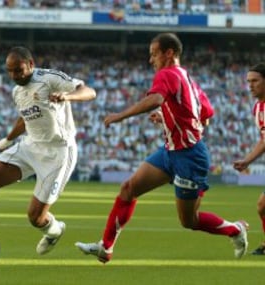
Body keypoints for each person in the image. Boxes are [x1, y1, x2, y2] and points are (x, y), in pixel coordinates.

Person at [75, 33, 248, 263]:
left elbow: (157, 99)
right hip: (170, 152)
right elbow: (205, 115)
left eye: (154, 54)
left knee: (189, 221)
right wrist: (169, 118)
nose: (151, 60)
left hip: (189, 157)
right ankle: (105, 247)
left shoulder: (167, 74)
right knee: (128, 189)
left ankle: (235, 230)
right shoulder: (189, 79)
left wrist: (121, 115)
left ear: (169, 53)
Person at [0, 46, 96, 256]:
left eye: (18, 70)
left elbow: (89, 91)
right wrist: (8, 139)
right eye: (10, 71)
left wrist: (67, 96)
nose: (14, 75)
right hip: (30, 146)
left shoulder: (49, 78)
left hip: (58, 152)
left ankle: (55, 230)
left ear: (30, 64)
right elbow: (26, 118)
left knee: (35, 217)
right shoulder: (17, 91)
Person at [233, 63, 265, 255]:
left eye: (255, 81)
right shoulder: (257, 108)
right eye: (248, 82)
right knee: (262, 206)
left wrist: (247, 160)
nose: (250, 85)